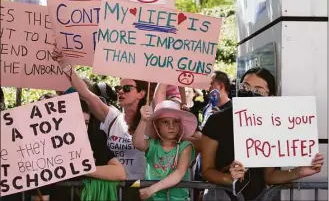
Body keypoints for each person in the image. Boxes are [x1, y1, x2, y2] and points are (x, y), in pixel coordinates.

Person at [201, 67, 324, 201]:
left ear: (270, 96)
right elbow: (207, 169)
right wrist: (229, 179)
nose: (250, 93)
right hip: (221, 196)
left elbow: (269, 176)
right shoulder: (216, 121)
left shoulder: (273, 124)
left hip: (260, 196)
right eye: (245, 87)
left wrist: (300, 171)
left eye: (258, 90)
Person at [51, 46, 147, 200]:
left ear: (141, 94)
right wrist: (65, 66)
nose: (120, 91)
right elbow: (85, 93)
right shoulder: (113, 117)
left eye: (127, 88)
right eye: (118, 88)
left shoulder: (150, 120)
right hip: (112, 189)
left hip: (140, 189)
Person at [133, 100, 197, 200]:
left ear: (180, 125)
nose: (171, 126)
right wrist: (143, 120)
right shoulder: (152, 144)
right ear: (157, 125)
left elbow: (179, 173)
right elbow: (137, 143)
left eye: (175, 122)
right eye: (165, 122)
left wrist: (152, 189)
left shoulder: (185, 146)